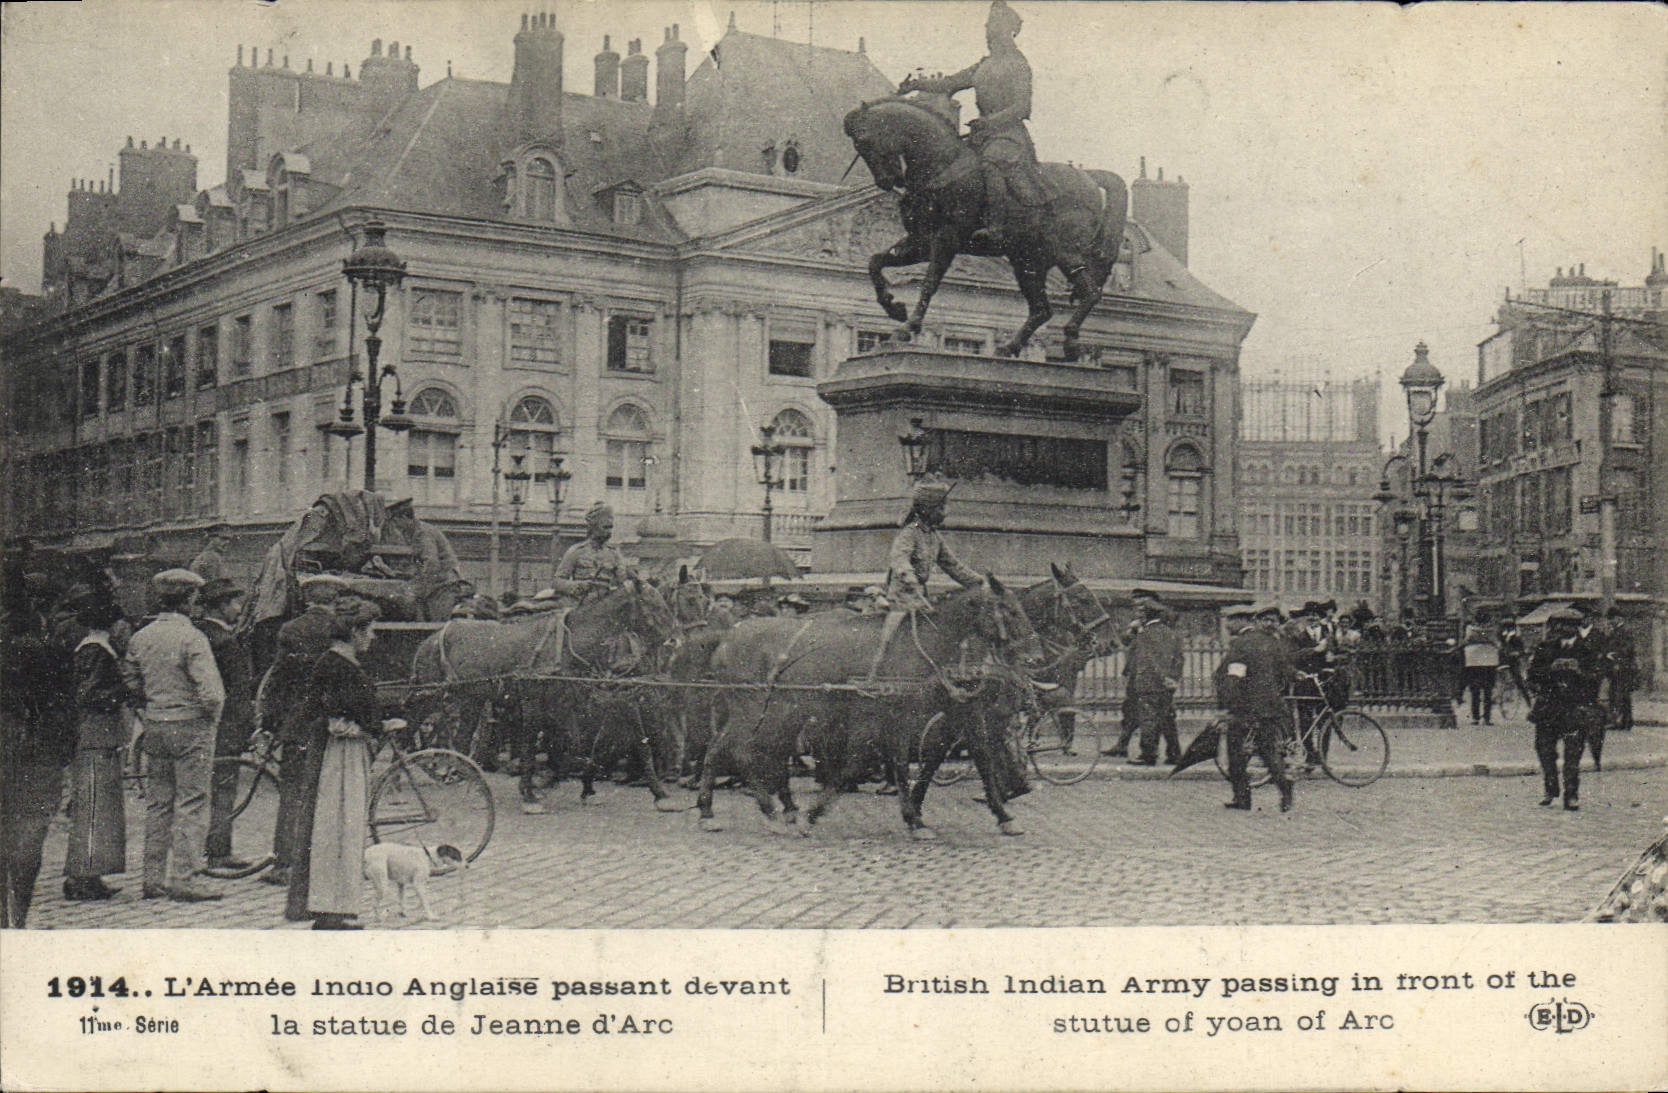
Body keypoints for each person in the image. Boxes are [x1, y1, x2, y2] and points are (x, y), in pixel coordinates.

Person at [898, 0, 1045, 252]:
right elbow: (950, 83)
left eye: (993, 25)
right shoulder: (983, 65)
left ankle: (996, 226)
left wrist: (990, 121)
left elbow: (1022, 107)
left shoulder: (1018, 64)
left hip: (1007, 135)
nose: (988, 30)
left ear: (1007, 29)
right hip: (982, 135)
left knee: (991, 162)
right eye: (988, 26)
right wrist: (917, 85)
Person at [120, 569, 226, 902]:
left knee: (158, 804)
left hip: (156, 725)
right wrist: (211, 719)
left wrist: (150, 707)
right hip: (191, 724)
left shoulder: (142, 636)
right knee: (192, 803)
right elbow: (211, 693)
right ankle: (186, 879)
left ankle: (152, 879)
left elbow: (131, 681)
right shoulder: (192, 637)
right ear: (191, 599)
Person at [287, 598, 385, 930]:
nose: (373, 638)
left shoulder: (331, 663)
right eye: (369, 630)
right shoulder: (342, 668)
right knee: (339, 828)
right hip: (340, 756)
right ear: (355, 632)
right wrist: (378, 727)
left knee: (336, 828)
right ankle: (331, 908)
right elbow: (354, 717)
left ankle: (333, 907)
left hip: (334, 753)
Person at [263, 573, 350, 891]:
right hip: (332, 722)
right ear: (335, 599)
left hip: (298, 722)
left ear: (308, 597)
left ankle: (284, 864)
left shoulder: (291, 629)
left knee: (292, 795)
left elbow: (278, 678)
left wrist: (272, 720)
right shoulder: (341, 629)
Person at [1, 578, 77, 926]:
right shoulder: (52, 649)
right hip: (39, 756)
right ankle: (19, 917)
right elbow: (66, 710)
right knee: (30, 838)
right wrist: (62, 755)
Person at [870, 474, 986, 680]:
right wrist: (908, 576)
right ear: (927, 509)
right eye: (941, 508)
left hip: (921, 599)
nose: (944, 513)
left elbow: (954, 566)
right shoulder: (909, 533)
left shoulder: (933, 537)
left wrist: (981, 582)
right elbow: (899, 558)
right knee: (889, 637)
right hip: (901, 599)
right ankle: (875, 670)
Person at [63, 595, 129, 901]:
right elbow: (88, 695)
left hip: (98, 735)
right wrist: (122, 693)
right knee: (93, 807)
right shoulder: (97, 650)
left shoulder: (94, 649)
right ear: (112, 623)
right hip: (95, 734)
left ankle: (91, 874)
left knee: (97, 806)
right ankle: (81, 877)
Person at [197, 578, 257, 873]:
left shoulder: (197, 634)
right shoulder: (226, 641)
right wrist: (246, 728)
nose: (238, 609)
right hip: (226, 727)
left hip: (199, 725)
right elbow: (239, 691)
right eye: (234, 604)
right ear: (221, 607)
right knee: (223, 790)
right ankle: (218, 853)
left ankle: (202, 850)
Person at [1215, 602, 1296, 813]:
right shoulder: (1273, 642)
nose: (1226, 625)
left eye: (1229, 621)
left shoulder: (1242, 644)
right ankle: (1284, 786)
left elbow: (1234, 677)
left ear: (1245, 621)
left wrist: (1227, 706)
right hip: (1270, 706)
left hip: (1245, 707)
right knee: (1269, 752)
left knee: (1236, 754)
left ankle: (1242, 799)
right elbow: (1284, 672)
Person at [1525, 607, 1603, 811]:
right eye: (1561, 625)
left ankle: (1571, 794)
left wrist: (1578, 671)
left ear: (1576, 627)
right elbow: (1532, 675)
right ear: (1556, 627)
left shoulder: (1587, 650)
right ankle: (1551, 788)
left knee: (1573, 754)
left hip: (1575, 708)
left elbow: (1596, 679)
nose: (1565, 629)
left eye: (1570, 625)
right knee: (1544, 749)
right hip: (1549, 708)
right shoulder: (1545, 648)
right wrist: (1551, 668)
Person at [1123, 597, 1183, 766]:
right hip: (1168, 684)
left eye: (1142, 613)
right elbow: (1179, 658)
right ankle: (1174, 754)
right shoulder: (1171, 633)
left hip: (1149, 682)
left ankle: (1148, 754)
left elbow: (1150, 660)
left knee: (1148, 718)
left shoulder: (1145, 634)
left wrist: (1159, 677)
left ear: (1146, 616)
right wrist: (1172, 678)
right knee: (1167, 719)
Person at [383, 498, 463, 620]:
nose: (395, 526)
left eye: (395, 521)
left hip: (443, 587)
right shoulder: (413, 533)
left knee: (435, 624)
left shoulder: (423, 533)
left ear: (404, 518)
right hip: (435, 586)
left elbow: (431, 565)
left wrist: (415, 591)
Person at [552, 503, 634, 603]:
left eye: (610, 528)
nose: (609, 532)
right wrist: (578, 585)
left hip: (605, 604)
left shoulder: (614, 554)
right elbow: (557, 582)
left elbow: (623, 581)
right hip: (580, 603)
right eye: (605, 527)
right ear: (593, 527)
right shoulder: (576, 551)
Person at [1603, 607, 1638, 733]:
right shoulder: (1616, 631)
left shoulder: (1625, 631)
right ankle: (1625, 721)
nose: (1610, 621)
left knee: (1620, 695)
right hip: (1617, 668)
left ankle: (1622, 721)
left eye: (1611, 619)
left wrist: (1613, 655)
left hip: (1623, 668)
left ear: (1619, 618)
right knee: (1622, 695)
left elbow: (1627, 648)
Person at [1460, 617, 1501, 725]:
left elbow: (1466, 640)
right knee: (1488, 691)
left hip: (1473, 660)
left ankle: (1475, 717)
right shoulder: (1493, 629)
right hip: (1490, 659)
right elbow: (1496, 643)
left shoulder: (1470, 629)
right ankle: (1487, 718)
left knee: (1475, 691)